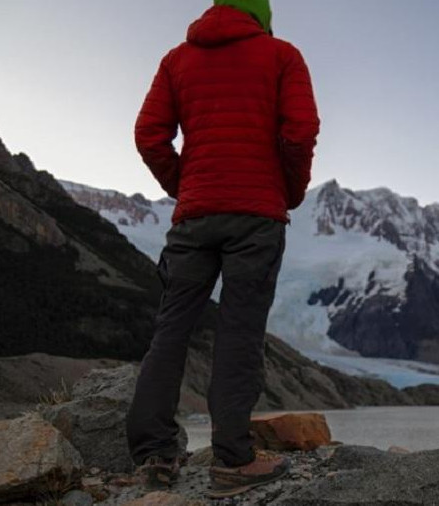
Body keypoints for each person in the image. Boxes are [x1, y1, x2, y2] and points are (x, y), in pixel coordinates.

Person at [125, 0, 320, 498]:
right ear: (261, 14)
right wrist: (289, 192)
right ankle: (233, 460)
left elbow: (149, 135)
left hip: (195, 216)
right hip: (256, 217)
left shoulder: (177, 59)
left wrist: (186, 185)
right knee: (240, 331)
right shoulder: (282, 55)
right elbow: (300, 129)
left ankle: (153, 456)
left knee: (171, 329)